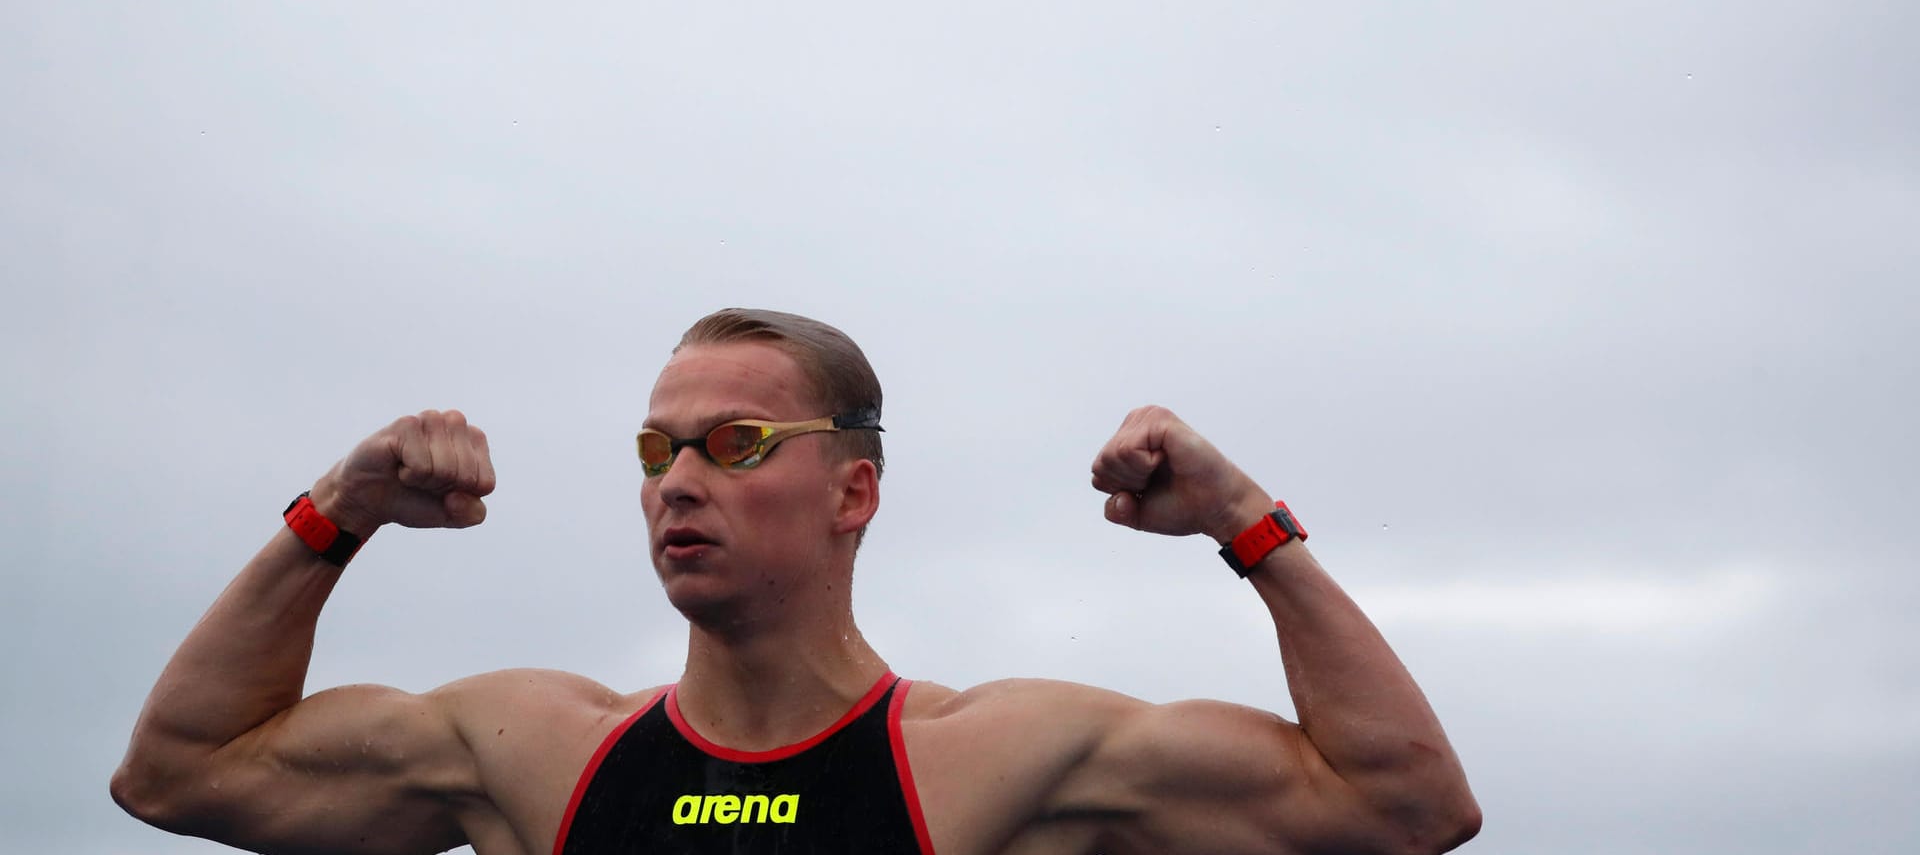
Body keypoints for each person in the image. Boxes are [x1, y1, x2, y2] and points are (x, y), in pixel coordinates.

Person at [113, 308, 1481, 855]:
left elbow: (1407, 808)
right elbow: (178, 772)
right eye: (658, 447)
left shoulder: (1000, 759)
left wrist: (1248, 525)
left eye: (737, 442)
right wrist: (332, 517)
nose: (678, 479)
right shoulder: (539, 752)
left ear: (855, 492)